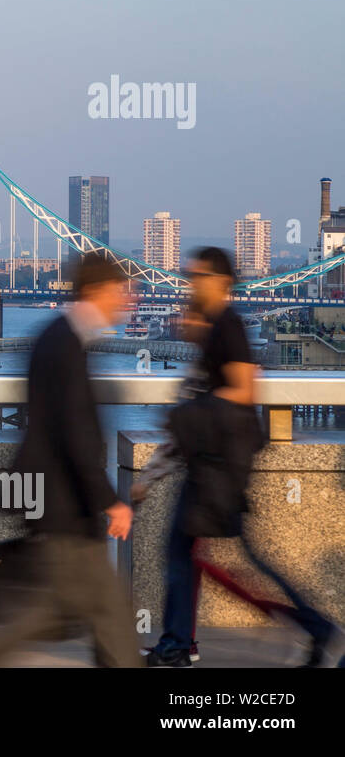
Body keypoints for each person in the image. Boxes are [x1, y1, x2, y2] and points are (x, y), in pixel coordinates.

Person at [139, 247, 344, 667]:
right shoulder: (215, 326)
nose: (190, 283)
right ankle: (181, 643)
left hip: (220, 466)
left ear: (220, 280)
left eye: (197, 276)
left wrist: (188, 413)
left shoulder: (227, 325)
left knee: (193, 554)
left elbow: (244, 390)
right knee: (192, 553)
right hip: (211, 462)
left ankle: (181, 645)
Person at [0, 251, 141, 667]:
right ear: (97, 291)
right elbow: (74, 434)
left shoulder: (58, 335)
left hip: (56, 504)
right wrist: (110, 500)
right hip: (64, 506)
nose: (128, 300)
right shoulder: (66, 343)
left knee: (61, 618)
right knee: (103, 618)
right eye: (120, 291)